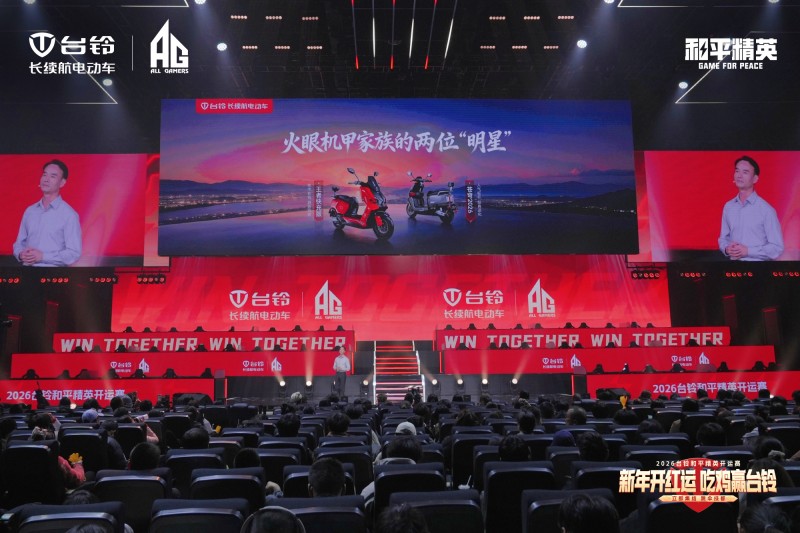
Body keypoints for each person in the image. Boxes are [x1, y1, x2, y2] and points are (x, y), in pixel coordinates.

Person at [13, 159, 82, 266]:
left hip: (53, 273)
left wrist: (43, 256)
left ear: (62, 183)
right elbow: (19, 243)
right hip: (27, 271)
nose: (46, 179)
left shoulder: (69, 215)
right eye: (44, 175)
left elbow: (73, 254)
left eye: (53, 176)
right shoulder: (30, 211)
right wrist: (21, 254)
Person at [718, 155, 784, 261]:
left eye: (745, 172)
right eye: (737, 171)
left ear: (755, 179)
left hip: (758, 268)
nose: (739, 176)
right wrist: (726, 248)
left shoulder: (766, 210)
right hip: (733, 267)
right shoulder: (729, 207)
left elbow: (777, 248)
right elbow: (723, 238)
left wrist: (748, 251)